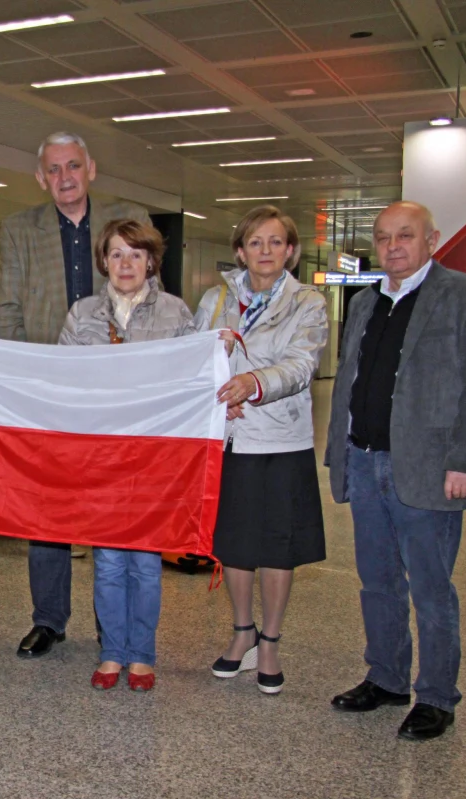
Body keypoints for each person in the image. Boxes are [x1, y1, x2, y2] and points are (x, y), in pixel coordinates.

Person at [326, 201, 466, 741]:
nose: (393, 246)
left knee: (430, 588)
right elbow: (350, 379)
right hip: (364, 460)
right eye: (382, 237)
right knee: (377, 582)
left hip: (428, 468)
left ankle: (435, 696)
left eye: (406, 235)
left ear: (433, 239)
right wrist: (339, 449)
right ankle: (385, 678)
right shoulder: (365, 301)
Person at [0, 130, 152, 659]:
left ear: (91, 169)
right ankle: (49, 619)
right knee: (49, 506)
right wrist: (24, 374)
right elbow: (9, 308)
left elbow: (151, 291)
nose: (65, 177)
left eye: (73, 166)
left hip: (118, 389)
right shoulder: (20, 229)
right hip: (50, 385)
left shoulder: (128, 218)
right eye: (54, 170)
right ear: (42, 178)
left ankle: (117, 623)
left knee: (114, 501)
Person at [194, 205, 328, 695]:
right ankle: (242, 633)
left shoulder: (307, 302)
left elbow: (301, 364)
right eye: (255, 243)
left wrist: (250, 383)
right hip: (227, 437)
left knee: (275, 545)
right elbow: (197, 355)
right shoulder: (214, 299)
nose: (265, 251)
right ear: (240, 251)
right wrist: (211, 396)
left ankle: (270, 641)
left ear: (290, 250)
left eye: (275, 242)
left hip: (279, 440)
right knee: (234, 545)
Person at [59, 218, 193, 691]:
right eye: (116, 254)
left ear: (152, 261)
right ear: (104, 261)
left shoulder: (176, 314)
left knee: (145, 564)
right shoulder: (83, 314)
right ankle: (112, 651)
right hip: (103, 457)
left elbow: (190, 382)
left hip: (155, 457)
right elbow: (65, 377)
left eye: (136, 254)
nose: (126, 263)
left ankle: (142, 655)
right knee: (109, 562)